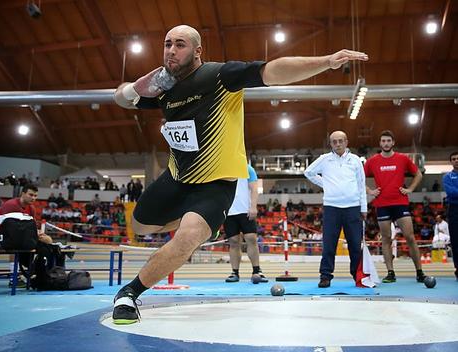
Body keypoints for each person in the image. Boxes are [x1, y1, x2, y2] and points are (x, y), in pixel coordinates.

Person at [112, 24, 368, 324]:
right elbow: (120, 98)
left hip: (216, 183)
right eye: (167, 44)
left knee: (188, 236)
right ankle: (204, 222)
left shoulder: (220, 76)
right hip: (176, 177)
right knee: (139, 226)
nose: (171, 50)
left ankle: (129, 293)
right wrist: (139, 86)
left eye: (179, 44)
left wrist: (325, 61)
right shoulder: (164, 89)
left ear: (197, 51)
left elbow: (272, 71)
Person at [304, 131, 367, 288]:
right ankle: (325, 276)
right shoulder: (324, 159)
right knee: (329, 244)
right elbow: (308, 172)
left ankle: (358, 276)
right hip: (332, 207)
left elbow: (361, 185)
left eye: (340, 141)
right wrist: (326, 184)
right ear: (330, 144)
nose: (337, 144)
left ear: (346, 142)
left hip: (353, 207)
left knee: (354, 244)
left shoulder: (355, 161)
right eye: (334, 142)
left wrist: (363, 207)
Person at [364, 130, 426, 283]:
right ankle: (390, 273)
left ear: (393, 143)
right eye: (383, 141)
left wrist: (410, 189)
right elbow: (358, 177)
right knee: (386, 239)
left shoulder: (402, 158)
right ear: (380, 143)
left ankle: (419, 272)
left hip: (400, 203)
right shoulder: (372, 161)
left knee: (410, 237)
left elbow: (418, 174)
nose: (385, 143)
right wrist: (370, 191)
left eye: (388, 141)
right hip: (382, 204)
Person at [0, 184, 52, 286]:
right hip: (4, 234)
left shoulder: (31, 209)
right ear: (23, 194)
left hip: (21, 236)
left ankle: (40, 274)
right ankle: (13, 278)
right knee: (15, 243)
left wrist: (39, 234)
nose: (33, 198)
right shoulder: (11, 205)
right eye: (31, 195)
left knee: (47, 243)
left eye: (35, 196)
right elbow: (10, 229)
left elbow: (30, 227)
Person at [224, 164, 268, 283]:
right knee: (233, 242)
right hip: (229, 211)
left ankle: (257, 270)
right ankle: (235, 272)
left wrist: (253, 207)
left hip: (246, 210)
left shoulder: (247, 168)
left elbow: (254, 188)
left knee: (251, 239)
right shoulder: (223, 168)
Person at [443, 151, 458, 280]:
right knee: (456, 240)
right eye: (454, 159)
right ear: (451, 161)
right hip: (454, 209)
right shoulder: (447, 177)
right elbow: (451, 192)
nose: (456, 160)